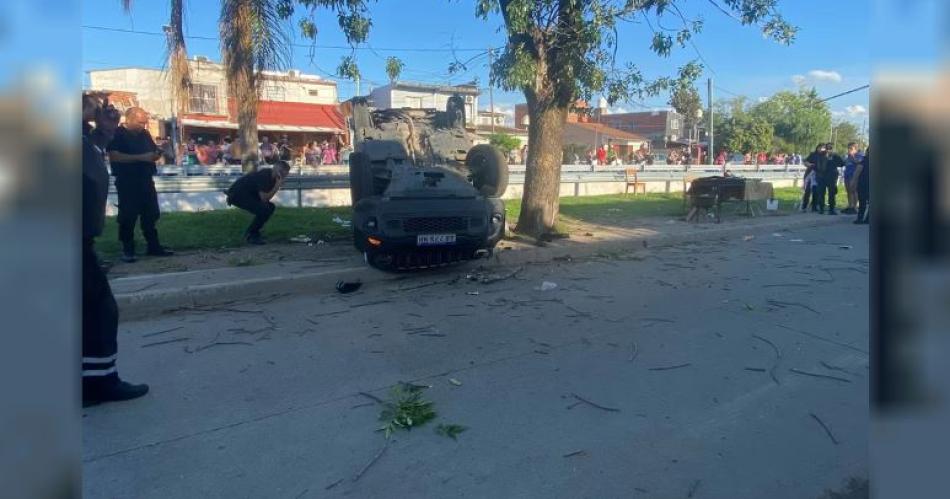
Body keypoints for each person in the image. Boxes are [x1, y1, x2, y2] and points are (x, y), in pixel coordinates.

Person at [82, 94, 149, 406]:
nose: (98, 110)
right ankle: (98, 383)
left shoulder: (86, 138)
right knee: (99, 311)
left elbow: (98, 145)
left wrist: (104, 127)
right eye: (92, 106)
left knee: (91, 310)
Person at [107, 107, 174, 262]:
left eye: (145, 122)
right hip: (127, 181)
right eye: (140, 122)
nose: (143, 126)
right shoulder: (118, 133)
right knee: (128, 216)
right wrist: (142, 157)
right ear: (129, 119)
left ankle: (153, 246)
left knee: (151, 214)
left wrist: (158, 153)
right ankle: (128, 249)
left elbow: (151, 154)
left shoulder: (144, 134)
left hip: (146, 179)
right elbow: (114, 156)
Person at [226, 160, 291, 245]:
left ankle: (254, 232)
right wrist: (277, 186)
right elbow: (264, 198)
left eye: (284, 174)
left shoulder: (273, 178)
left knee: (270, 207)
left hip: (247, 194)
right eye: (281, 171)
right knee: (264, 209)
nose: (282, 175)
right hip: (237, 195)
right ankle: (251, 235)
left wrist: (276, 184)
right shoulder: (265, 175)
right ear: (275, 168)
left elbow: (265, 199)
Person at [842, 142, 864, 214]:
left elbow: (859, 163)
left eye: (851, 148)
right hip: (847, 175)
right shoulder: (847, 156)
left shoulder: (859, 155)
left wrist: (852, 157)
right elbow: (844, 163)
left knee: (854, 190)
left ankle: (855, 207)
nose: (849, 150)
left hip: (854, 175)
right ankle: (850, 205)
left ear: (855, 149)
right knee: (848, 191)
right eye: (848, 148)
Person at [851, 146, 869, 224]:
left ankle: (860, 218)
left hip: (863, 184)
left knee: (862, 202)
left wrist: (853, 181)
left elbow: (857, 171)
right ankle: (867, 219)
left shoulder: (864, 160)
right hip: (865, 184)